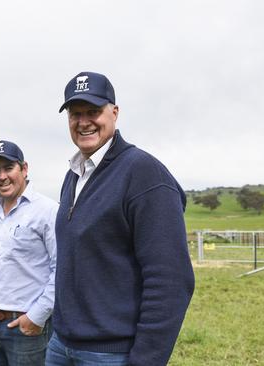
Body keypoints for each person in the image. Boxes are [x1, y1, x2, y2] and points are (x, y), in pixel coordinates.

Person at [46, 71, 195, 366]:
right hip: (61, 345)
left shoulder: (143, 174)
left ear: (114, 113)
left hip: (110, 354)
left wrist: (146, 360)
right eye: (75, 114)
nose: (84, 121)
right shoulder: (73, 176)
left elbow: (171, 279)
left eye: (93, 111)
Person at [0, 140, 58, 366]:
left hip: (27, 328)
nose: (2, 176)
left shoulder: (46, 211)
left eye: (8, 168)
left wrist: (36, 317)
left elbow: (62, 269)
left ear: (24, 169)